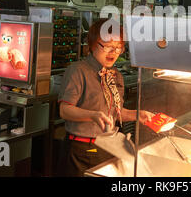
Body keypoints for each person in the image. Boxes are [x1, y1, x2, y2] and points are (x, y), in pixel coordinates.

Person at [58, 18, 154, 176]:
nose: (113, 53)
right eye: (108, 46)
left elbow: (116, 112)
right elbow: (64, 110)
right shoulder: (78, 71)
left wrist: (138, 115)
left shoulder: (115, 75)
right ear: (93, 44)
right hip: (81, 150)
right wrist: (93, 115)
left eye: (118, 48)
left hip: (108, 147)